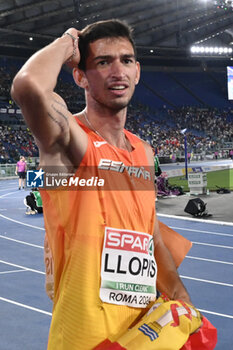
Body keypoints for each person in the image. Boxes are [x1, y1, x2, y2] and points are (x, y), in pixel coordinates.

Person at [11, 19, 214, 350]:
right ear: (80, 75)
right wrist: (69, 41)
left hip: (145, 332)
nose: (117, 70)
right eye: (103, 62)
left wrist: (181, 298)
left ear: (137, 71)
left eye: (126, 60)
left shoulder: (144, 151)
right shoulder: (68, 141)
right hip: (86, 336)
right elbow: (29, 86)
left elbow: (152, 236)